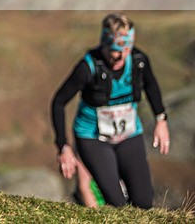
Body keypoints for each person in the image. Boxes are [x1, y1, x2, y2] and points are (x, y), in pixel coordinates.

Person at [50, 13, 171, 209]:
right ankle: (84, 194)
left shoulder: (139, 61)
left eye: (126, 49)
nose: (120, 56)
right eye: (115, 50)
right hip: (93, 138)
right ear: (104, 44)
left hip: (129, 134)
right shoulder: (88, 67)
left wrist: (161, 119)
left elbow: (151, 86)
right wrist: (63, 146)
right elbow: (58, 102)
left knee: (143, 203)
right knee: (117, 203)